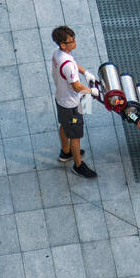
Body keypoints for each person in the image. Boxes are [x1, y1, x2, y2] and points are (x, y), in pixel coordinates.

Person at [50, 26, 98, 179]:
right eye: (72, 41)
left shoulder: (58, 53)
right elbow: (77, 87)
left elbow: (73, 64)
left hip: (60, 99)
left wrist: (85, 72)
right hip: (72, 104)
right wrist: (92, 92)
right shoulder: (68, 64)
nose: (75, 42)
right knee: (76, 136)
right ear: (63, 44)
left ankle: (66, 151)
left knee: (64, 125)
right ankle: (78, 166)